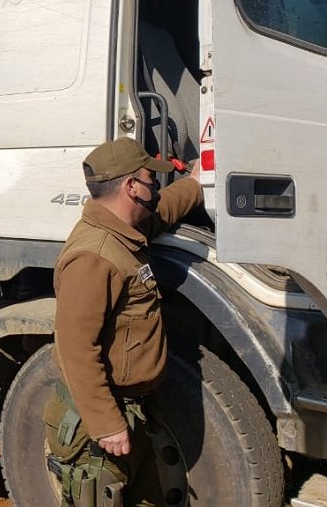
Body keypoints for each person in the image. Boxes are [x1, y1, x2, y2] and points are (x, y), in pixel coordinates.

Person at [46, 138, 203, 506]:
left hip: (132, 408)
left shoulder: (122, 232)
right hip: (96, 427)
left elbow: (162, 211)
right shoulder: (94, 256)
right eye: (151, 179)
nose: (156, 187)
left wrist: (195, 184)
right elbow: (76, 349)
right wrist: (107, 424)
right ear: (132, 187)